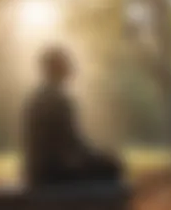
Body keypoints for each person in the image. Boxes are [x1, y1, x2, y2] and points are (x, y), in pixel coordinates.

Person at [23, 46, 121, 187]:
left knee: (104, 163)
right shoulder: (58, 100)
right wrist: (95, 156)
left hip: (37, 170)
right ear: (56, 69)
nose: (70, 69)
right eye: (65, 65)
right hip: (52, 172)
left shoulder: (38, 98)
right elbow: (72, 143)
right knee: (111, 167)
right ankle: (98, 207)